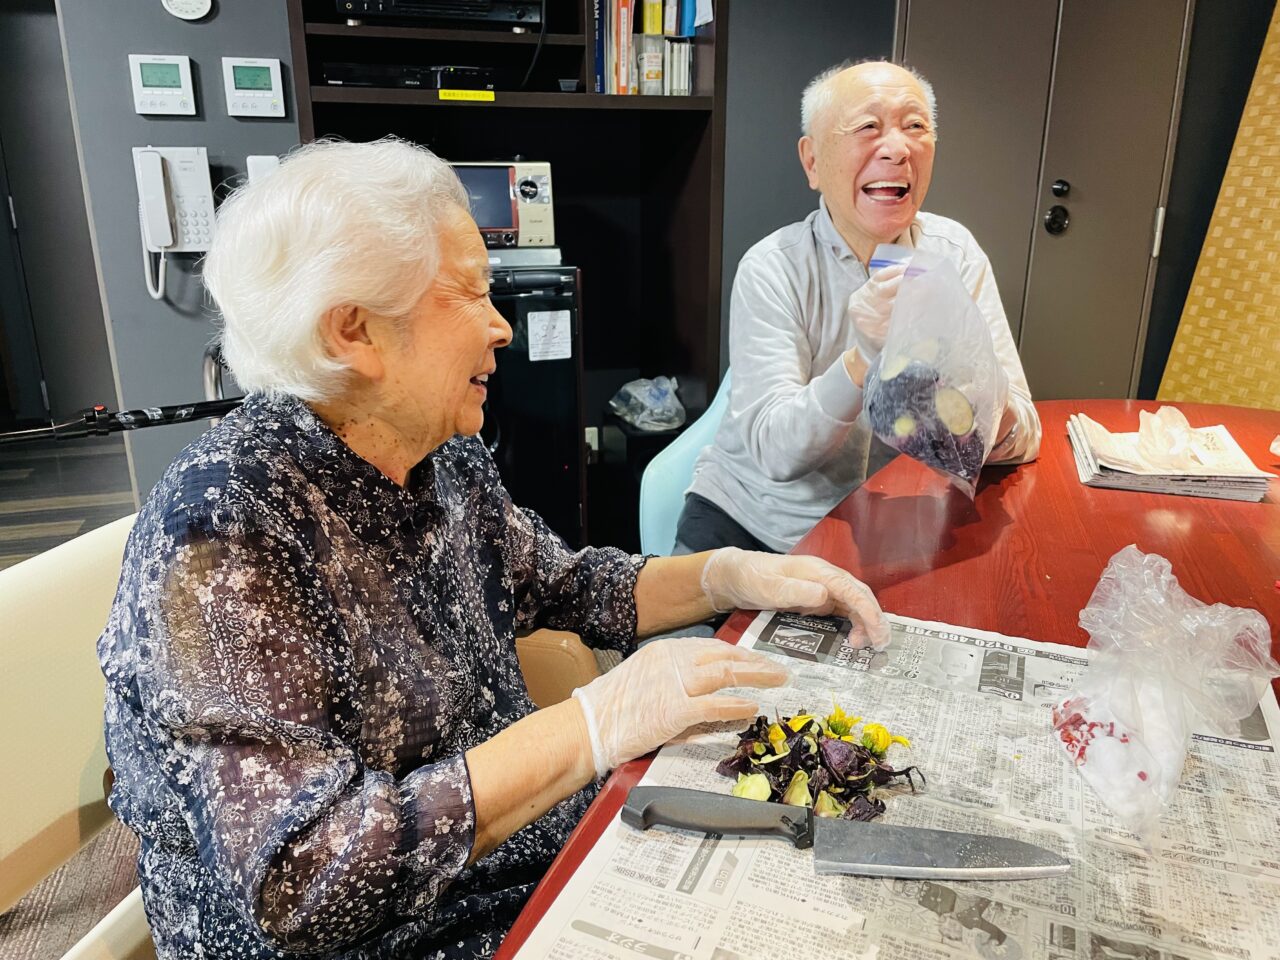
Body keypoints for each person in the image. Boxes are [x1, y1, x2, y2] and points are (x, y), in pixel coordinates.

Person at [97, 137, 890, 960]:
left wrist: (733, 575)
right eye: (471, 292)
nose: (501, 325)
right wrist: (592, 724)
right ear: (354, 331)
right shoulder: (225, 527)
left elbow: (570, 586)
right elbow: (305, 880)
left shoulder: (442, 453)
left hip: (506, 862)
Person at [677, 60, 1041, 554]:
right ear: (812, 162)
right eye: (868, 127)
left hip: (890, 530)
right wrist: (862, 360)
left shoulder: (953, 255)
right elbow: (775, 454)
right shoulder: (773, 267)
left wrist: (971, 391)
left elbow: (1025, 435)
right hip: (756, 525)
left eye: (915, 127)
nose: (897, 148)